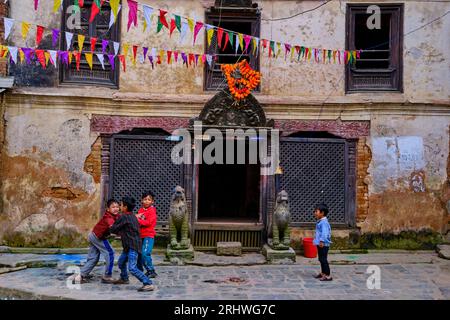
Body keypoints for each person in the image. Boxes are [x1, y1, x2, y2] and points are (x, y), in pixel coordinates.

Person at [110, 196, 155, 292]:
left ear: (125, 207)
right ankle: (124, 278)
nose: (119, 207)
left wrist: (110, 225)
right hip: (129, 245)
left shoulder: (124, 217)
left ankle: (148, 283)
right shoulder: (132, 216)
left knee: (132, 267)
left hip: (132, 246)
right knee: (121, 262)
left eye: (121, 205)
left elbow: (113, 229)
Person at [74, 199, 120, 284]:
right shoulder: (108, 217)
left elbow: (122, 219)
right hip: (98, 237)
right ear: (108, 209)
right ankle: (107, 276)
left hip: (93, 235)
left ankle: (81, 276)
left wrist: (135, 216)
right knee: (110, 253)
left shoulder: (115, 216)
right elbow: (113, 227)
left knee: (93, 258)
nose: (116, 208)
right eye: (113, 207)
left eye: (117, 207)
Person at [136, 191, 158, 278]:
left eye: (149, 200)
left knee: (145, 253)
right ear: (141, 200)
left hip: (148, 235)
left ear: (152, 201)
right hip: (141, 235)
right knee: (139, 253)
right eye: (145, 199)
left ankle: (151, 270)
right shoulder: (140, 210)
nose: (147, 201)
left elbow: (148, 222)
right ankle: (139, 269)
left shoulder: (152, 211)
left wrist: (138, 220)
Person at [313, 203, 333, 281]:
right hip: (321, 243)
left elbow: (325, 233)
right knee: (321, 259)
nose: (315, 213)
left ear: (322, 213)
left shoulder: (324, 223)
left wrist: (321, 241)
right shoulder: (321, 221)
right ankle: (323, 273)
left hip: (323, 244)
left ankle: (327, 275)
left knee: (323, 259)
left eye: (316, 211)